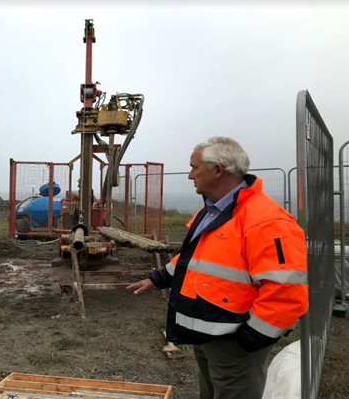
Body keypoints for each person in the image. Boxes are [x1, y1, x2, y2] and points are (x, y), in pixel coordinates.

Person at [127, 136, 308, 399]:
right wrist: (157, 279)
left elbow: (287, 292)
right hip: (207, 335)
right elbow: (194, 259)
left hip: (234, 341)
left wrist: (249, 339)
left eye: (194, 167)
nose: (190, 175)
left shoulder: (266, 221)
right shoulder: (212, 212)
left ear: (218, 169)